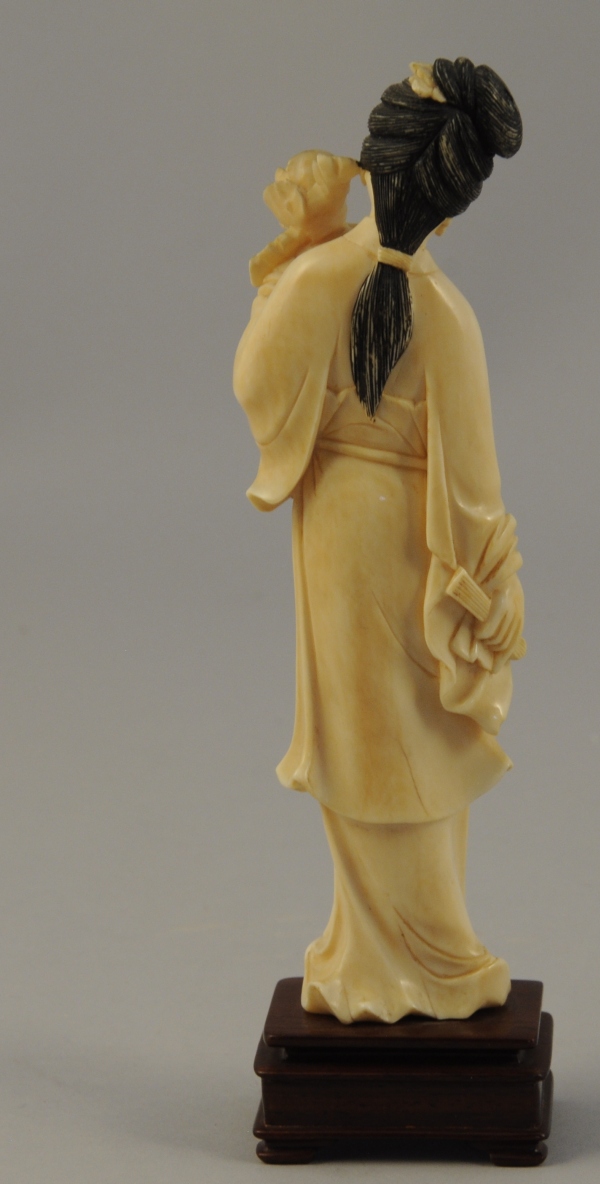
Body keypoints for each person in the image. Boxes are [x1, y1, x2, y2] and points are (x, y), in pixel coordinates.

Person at [234, 58, 526, 1024]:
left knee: (365, 745)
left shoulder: (321, 275)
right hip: (412, 539)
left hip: (337, 529)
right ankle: (419, 958)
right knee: (420, 746)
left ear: (371, 166)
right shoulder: (447, 317)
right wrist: (490, 602)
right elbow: (472, 493)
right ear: (452, 207)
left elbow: (256, 385)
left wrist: (303, 244)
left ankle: (384, 959)